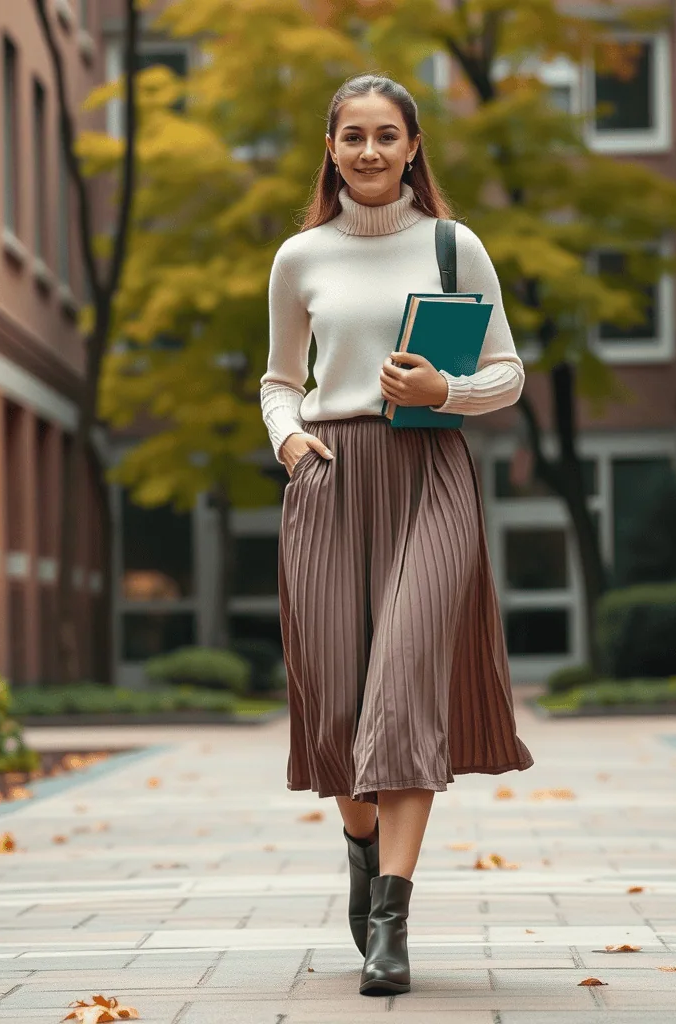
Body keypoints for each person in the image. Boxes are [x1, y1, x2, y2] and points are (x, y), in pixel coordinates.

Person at [260, 73, 534, 997]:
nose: (370, 152)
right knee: (339, 704)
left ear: (414, 146)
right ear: (330, 149)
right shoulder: (300, 256)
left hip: (429, 477)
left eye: (387, 135)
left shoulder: (456, 248)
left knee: (405, 688)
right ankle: (360, 841)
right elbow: (277, 379)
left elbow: (508, 372)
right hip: (329, 480)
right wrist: (291, 442)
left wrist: (443, 394)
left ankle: (392, 917)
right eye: (353, 137)